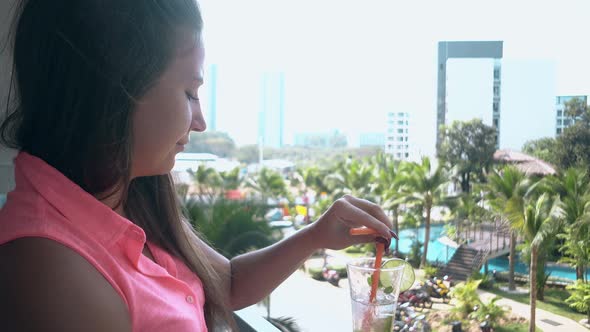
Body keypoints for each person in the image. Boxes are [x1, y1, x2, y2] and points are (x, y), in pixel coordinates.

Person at [0, 1, 396, 331]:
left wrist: (315, 235)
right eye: (190, 92)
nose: (200, 120)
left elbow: (226, 283)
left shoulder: (126, 191)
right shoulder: (51, 273)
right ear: (113, 89)